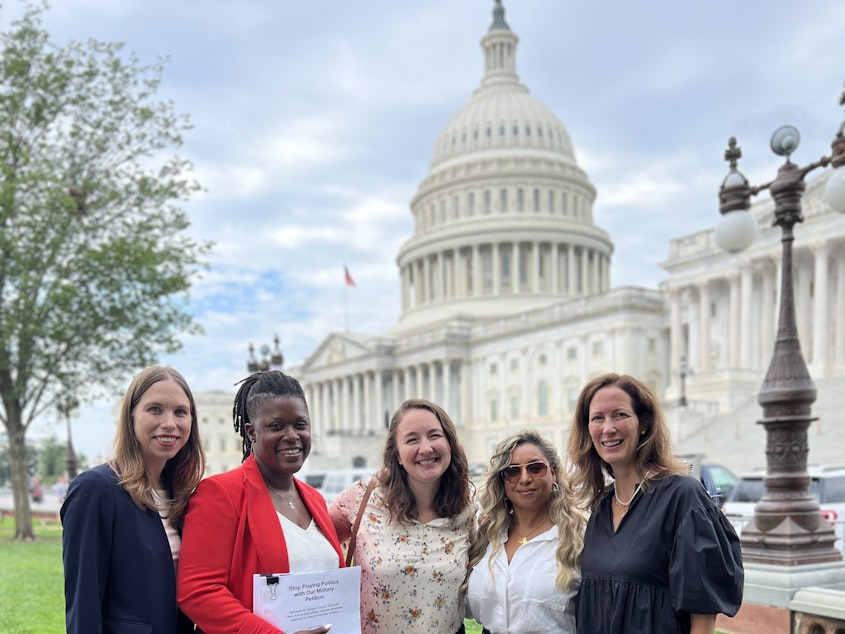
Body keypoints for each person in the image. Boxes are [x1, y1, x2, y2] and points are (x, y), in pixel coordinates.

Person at [567, 373, 743, 634]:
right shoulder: (601, 506)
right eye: (597, 418)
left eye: (620, 415)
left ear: (644, 424)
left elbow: (703, 614)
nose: (608, 428)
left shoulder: (682, 497)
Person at [177, 370, 343, 634]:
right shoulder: (219, 493)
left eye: (300, 424)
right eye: (277, 426)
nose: (292, 435)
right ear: (252, 432)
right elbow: (197, 591)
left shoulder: (315, 499)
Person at [61, 365, 205, 633]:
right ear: (131, 416)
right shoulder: (96, 489)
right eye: (155, 409)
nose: (170, 423)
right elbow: (84, 602)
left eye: (180, 412)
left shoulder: (183, 495)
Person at [329, 398, 475, 634]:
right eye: (412, 439)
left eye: (435, 435)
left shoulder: (469, 509)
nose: (426, 448)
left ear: (450, 443)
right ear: (396, 454)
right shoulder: (360, 499)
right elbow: (315, 546)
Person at [465, 430, 584, 634]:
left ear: (553, 472)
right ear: (502, 480)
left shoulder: (580, 536)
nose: (525, 478)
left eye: (535, 468)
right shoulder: (486, 537)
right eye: (512, 471)